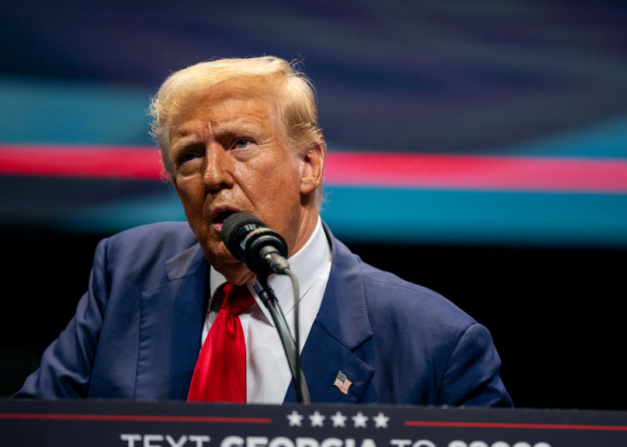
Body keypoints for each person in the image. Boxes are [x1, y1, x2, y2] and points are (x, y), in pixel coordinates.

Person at [15, 56, 512, 406]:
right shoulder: (127, 271)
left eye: (241, 144)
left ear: (309, 165)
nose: (213, 175)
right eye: (189, 156)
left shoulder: (435, 343)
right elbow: (32, 429)